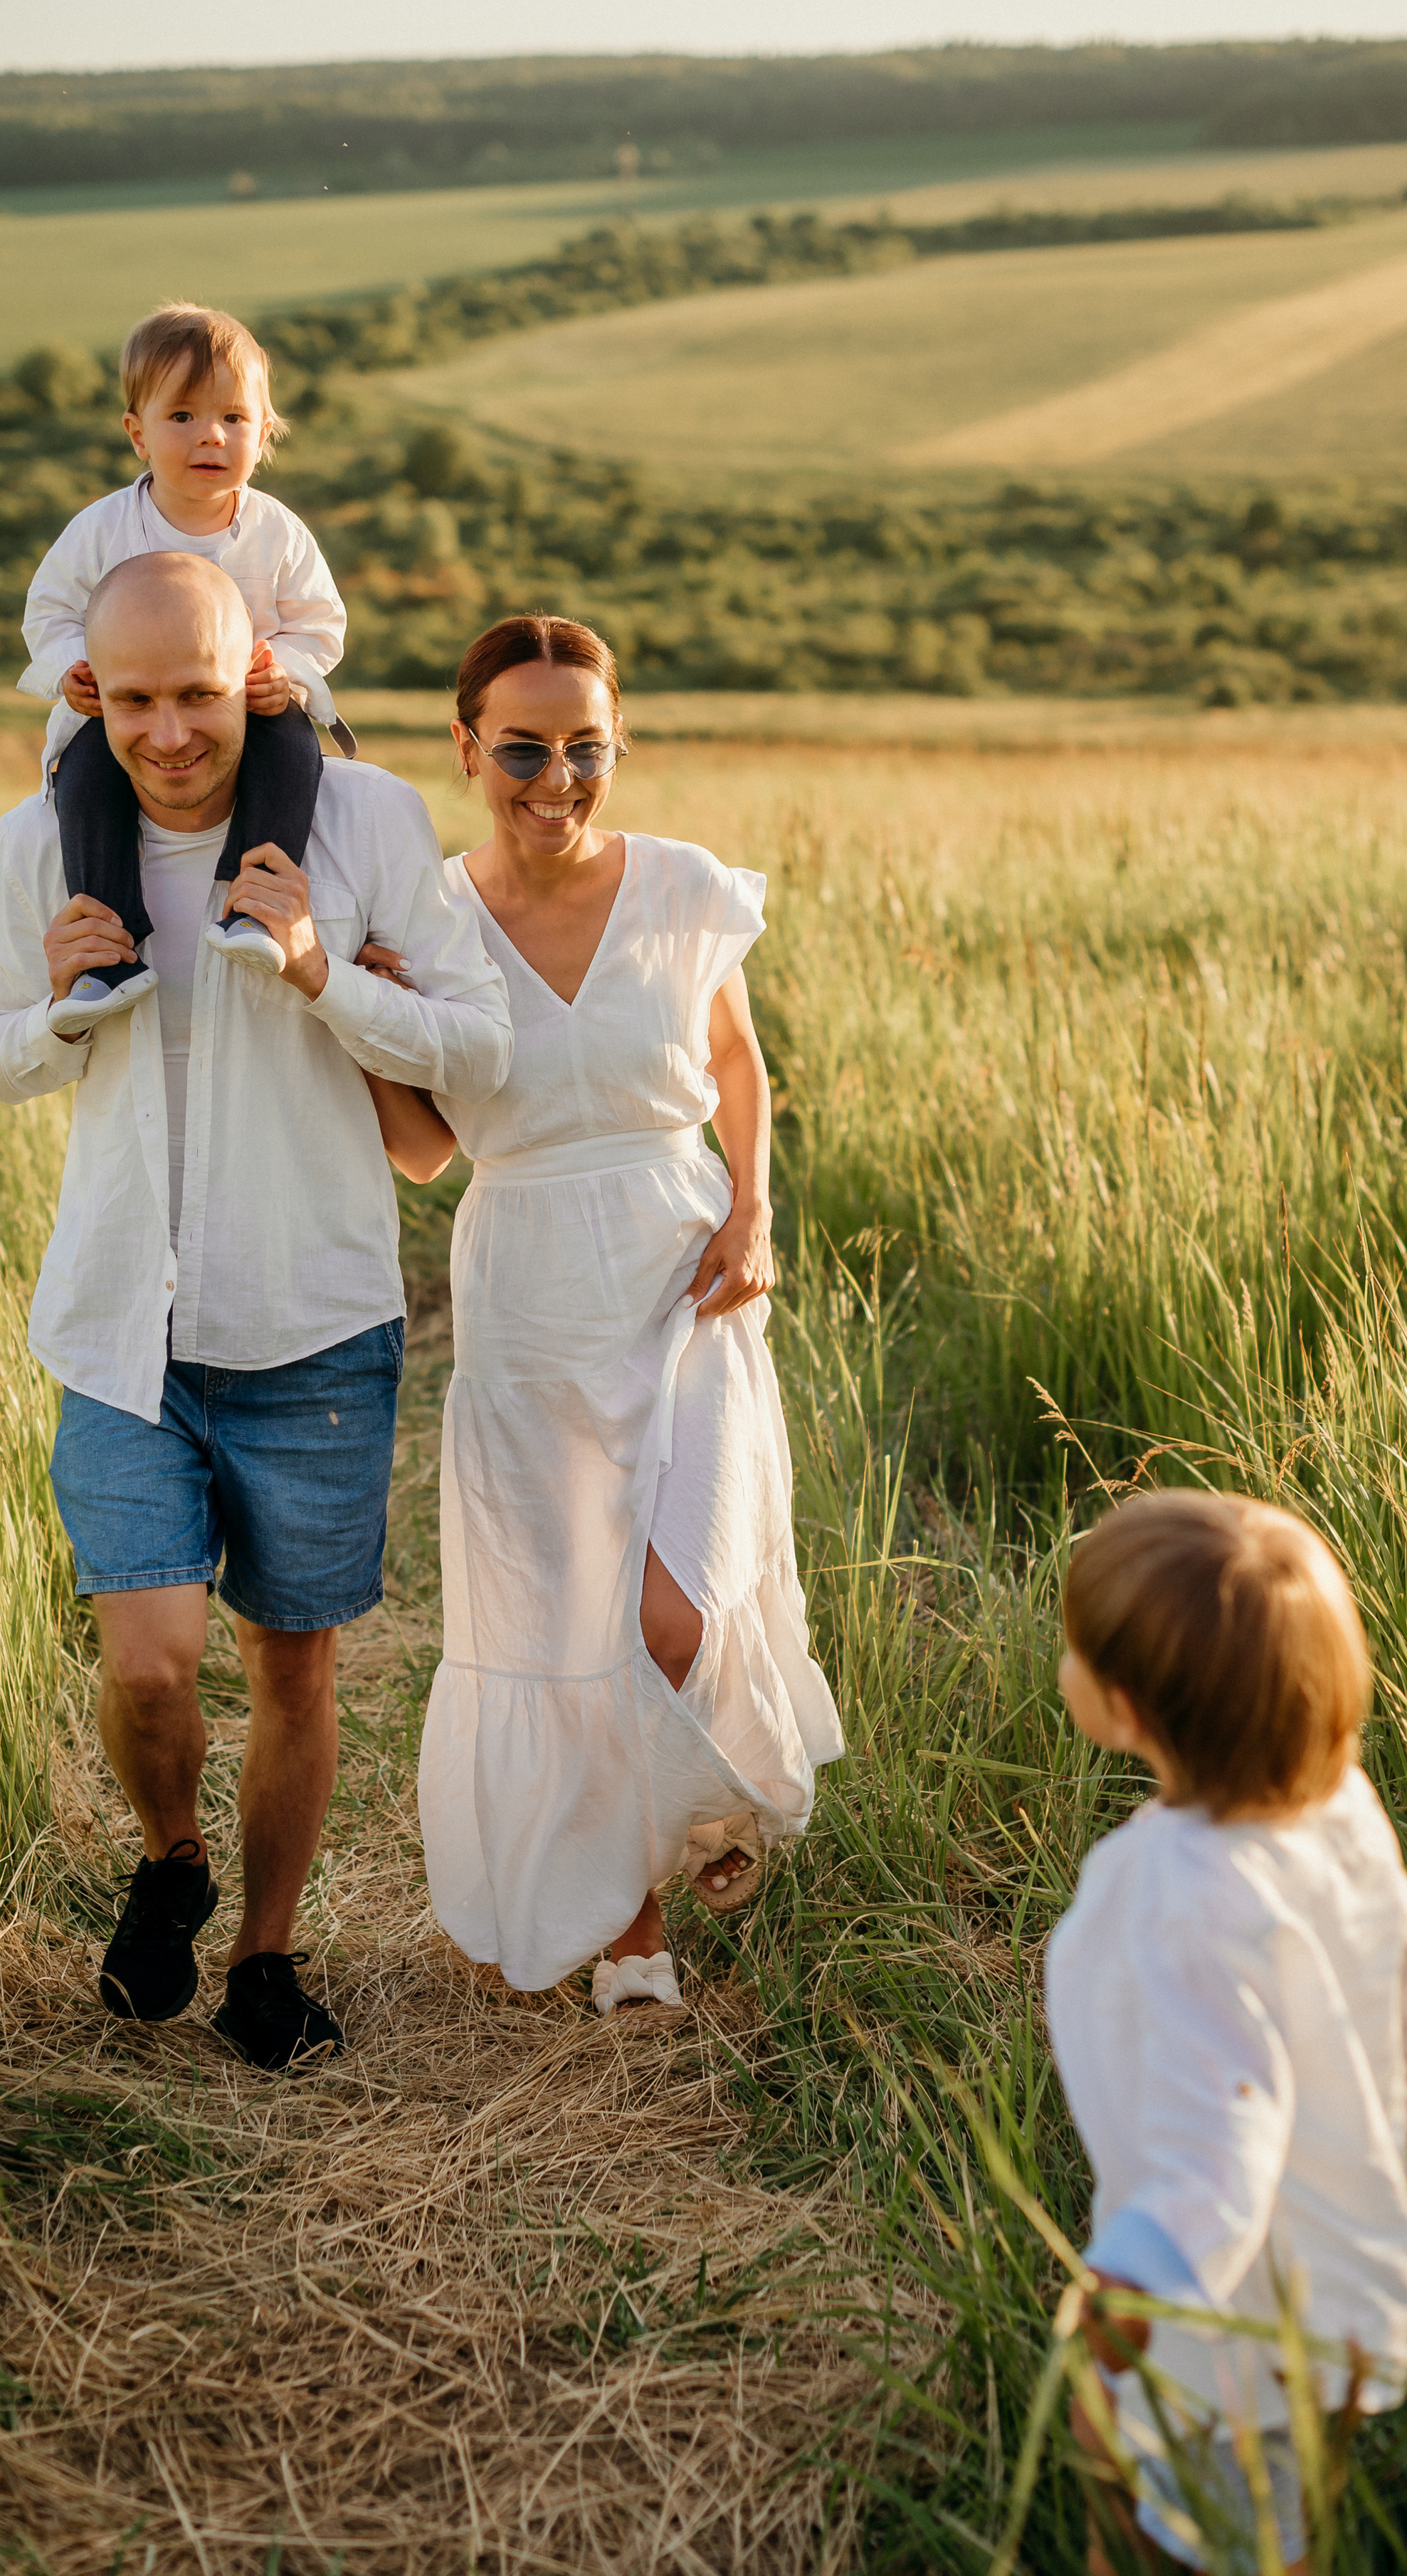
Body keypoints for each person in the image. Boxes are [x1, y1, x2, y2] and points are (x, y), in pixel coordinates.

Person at [0, 550, 512, 2068]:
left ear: (253, 672)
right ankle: (172, 1863)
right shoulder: (38, 842)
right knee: (143, 1661)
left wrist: (326, 971)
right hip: (119, 1324)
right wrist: (59, 1006)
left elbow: (477, 1038)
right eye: (133, 699)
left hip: (314, 1324)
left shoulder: (365, 819)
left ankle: (265, 1958)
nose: (168, 732)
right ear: (93, 692)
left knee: (293, 1666)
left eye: (198, 693)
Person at [370, 614, 843, 2019]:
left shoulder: (685, 888)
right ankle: (628, 1914)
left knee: (673, 1614)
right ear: (467, 750)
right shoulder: (432, 922)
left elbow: (735, 1060)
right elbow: (422, 1151)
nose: (556, 778)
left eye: (586, 747)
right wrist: (363, 1017)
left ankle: (697, 1801)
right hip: (524, 1291)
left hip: (676, 1277)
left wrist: (754, 1210)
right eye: (522, 748)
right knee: (573, 1612)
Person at [1048, 1489, 1407, 2576]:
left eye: (1079, 1652)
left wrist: (1129, 2288)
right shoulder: (1342, 1817)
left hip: (1226, 2321)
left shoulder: (1182, 1901)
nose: (1066, 1665)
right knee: (1135, 2482)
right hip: (1336, 2266)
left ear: (1131, 1709)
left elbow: (1223, 2150)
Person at [17, 301, 353, 1036]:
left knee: (295, 757)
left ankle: (253, 907)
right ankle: (108, 951)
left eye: (235, 418)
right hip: (125, 710)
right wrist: (71, 668)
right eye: (183, 417)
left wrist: (286, 672)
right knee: (84, 784)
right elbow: (48, 614)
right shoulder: (103, 529)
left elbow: (320, 623)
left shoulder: (276, 532)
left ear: (265, 434)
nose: (211, 435)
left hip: (249, 709)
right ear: (137, 433)